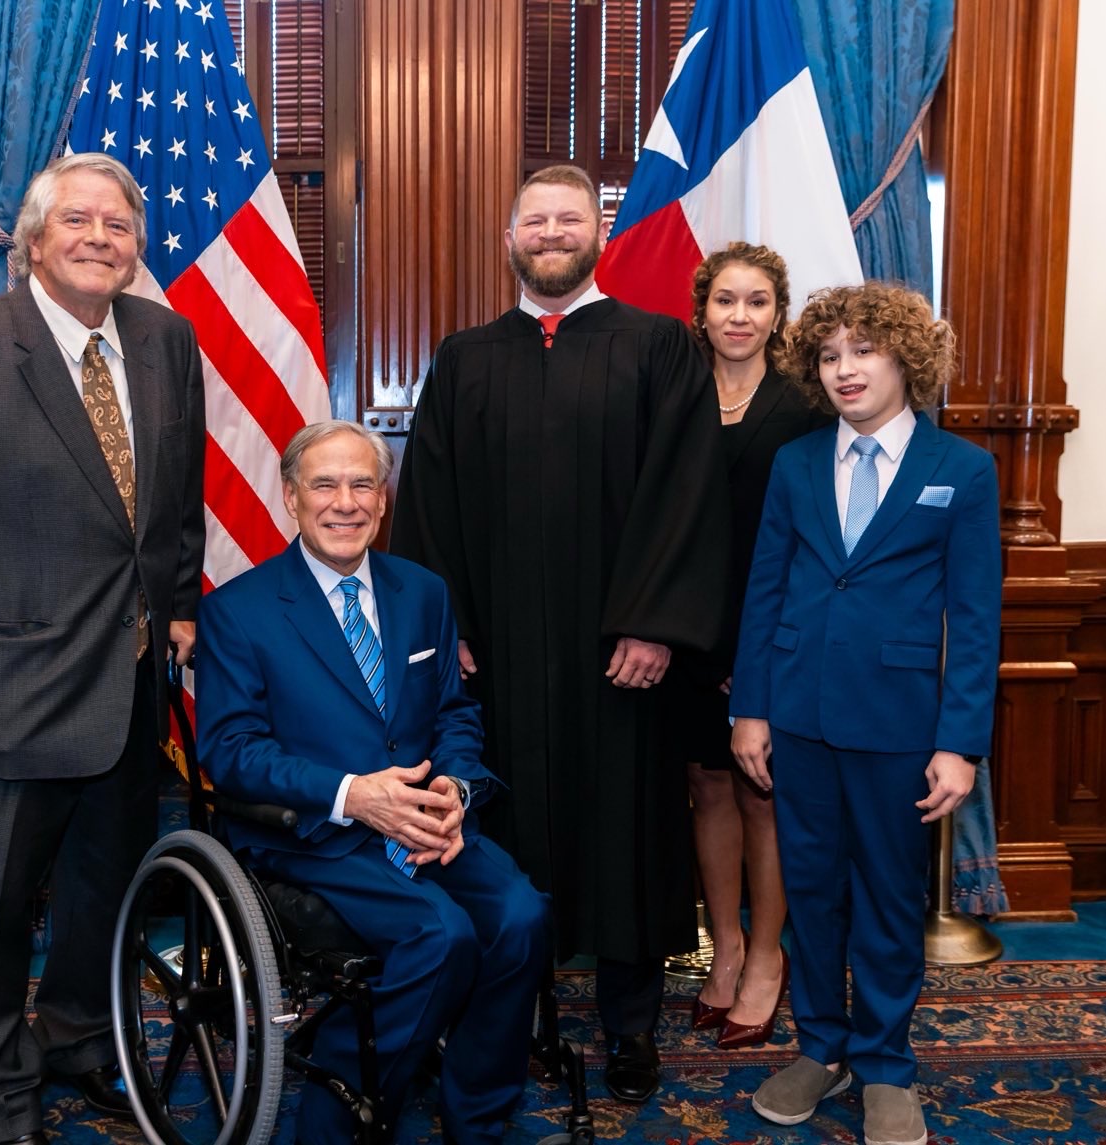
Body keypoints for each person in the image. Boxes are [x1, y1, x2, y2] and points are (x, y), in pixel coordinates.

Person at [0, 152, 205, 1145]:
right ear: (32, 237)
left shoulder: (164, 337)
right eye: (79, 219)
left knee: (102, 895)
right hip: (0, 688)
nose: (100, 236)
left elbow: (172, 498)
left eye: (118, 223)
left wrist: (179, 601)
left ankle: (75, 1040)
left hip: (129, 680)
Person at [391, 164, 731, 1102]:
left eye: (568, 218)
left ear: (597, 235)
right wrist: (444, 624)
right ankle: (516, 1009)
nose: (551, 232)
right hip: (495, 651)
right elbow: (429, 501)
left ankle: (629, 1026)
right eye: (534, 220)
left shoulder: (660, 346)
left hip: (619, 655)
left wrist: (656, 625)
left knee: (627, 830)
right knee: (504, 826)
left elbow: (687, 495)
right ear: (510, 239)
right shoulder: (464, 357)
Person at [198, 420, 551, 1144]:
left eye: (363, 483)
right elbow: (229, 750)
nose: (345, 501)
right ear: (291, 497)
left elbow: (454, 712)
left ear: (383, 501)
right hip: (317, 832)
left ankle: (476, 1118)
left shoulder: (421, 591)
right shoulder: (239, 610)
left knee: (521, 915)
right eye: (324, 484)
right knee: (441, 934)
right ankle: (335, 1121)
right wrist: (352, 792)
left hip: (428, 819)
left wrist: (454, 788)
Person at [730, 283, 1000, 1145]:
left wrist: (959, 744)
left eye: (863, 351)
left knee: (888, 895)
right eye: (830, 354)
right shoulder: (797, 462)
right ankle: (822, 1046)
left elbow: (977, 616)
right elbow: (765, 590)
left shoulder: (962, 469)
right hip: (798, 716)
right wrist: (751, 709)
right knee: (809, 893)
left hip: (898, 725)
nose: (845, 369)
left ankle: (884, 1062)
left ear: (905, 360)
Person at [660, 243, 829, 1049]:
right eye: (725, 300)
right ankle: (722, 948)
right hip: (690, 631)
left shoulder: (805, 402)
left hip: (771, 633)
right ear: (702, 310)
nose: (739, 316)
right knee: (706, 787)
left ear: (777, 313)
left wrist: (757, 651)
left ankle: (768, 956)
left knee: (762, 793)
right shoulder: (678, 392)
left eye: (756, 301)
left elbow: (817, 539)